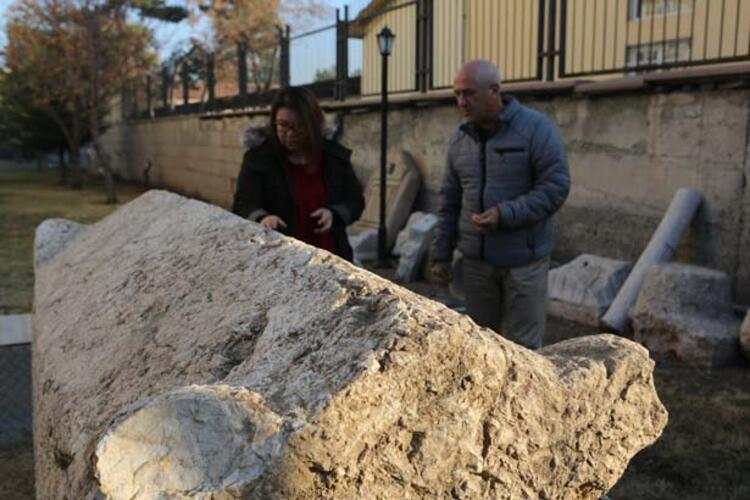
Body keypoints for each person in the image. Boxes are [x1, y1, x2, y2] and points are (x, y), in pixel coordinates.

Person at [430, 60, 570, 349]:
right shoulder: (460, 139)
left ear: (494, 90)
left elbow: (555, 186)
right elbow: (449, 199)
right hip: (476, 264)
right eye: (456, 94)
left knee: (524, 350)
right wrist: (440, 253)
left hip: (524, 262)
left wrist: (505, 215)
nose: (461, 102)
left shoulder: (536, 130)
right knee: (481, 346)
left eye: (468, 93)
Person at [232, 87, 364, 261]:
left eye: (299, 126)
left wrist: (334, 214)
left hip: (330, 256)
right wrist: (263, 217)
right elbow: (242, 204)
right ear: (274, 123)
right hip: (280, 258)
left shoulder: (333, 157)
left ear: (312, 124)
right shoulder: (259, 159)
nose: (290, 134)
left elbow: (355, 201)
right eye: (283, 125)